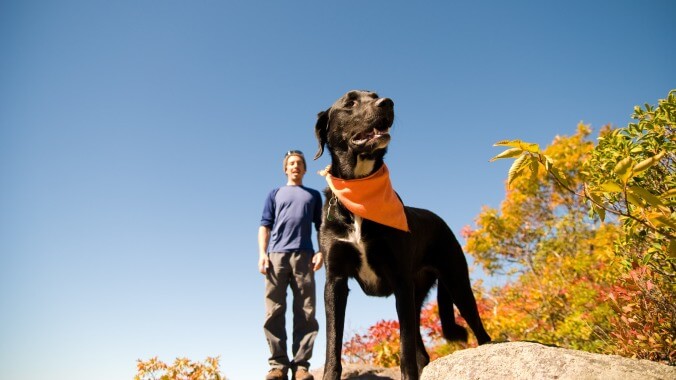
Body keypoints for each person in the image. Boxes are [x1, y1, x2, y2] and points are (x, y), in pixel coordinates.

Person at [259, 150, 323, 380]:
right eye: (291, 163)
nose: (295, 166)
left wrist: (321, 252)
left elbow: (322, 227)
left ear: (304, 169)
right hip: (276, 256)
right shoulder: (275, 193)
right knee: (273, 310)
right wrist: (262, 254)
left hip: (304, 256)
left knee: (306, 311)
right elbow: (264, 225)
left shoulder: (314, 195)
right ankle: (278, 365)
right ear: (286, 169)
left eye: (299, 163)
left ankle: (301, 366)